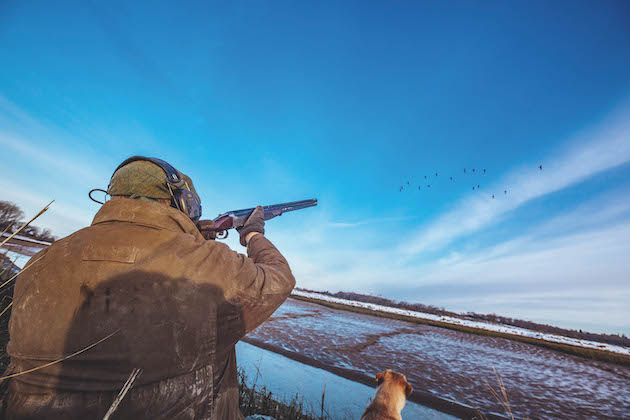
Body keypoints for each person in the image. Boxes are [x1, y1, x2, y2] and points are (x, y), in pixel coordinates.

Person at [1, 157, 295, 419]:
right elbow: (278, 278)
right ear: (178, 202)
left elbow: (148, 249)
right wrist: (252, 233)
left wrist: (193, 232)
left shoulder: (44, 259)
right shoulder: (206, 262)